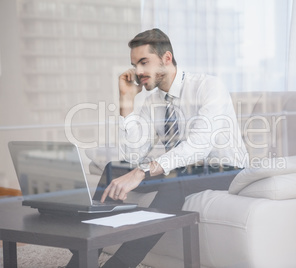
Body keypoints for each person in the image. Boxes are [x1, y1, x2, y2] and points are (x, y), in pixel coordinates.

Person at [66, 28, 248, 268]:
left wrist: (142, 172)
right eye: (134, 64)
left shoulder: (208, 87)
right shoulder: (153, 101)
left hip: (227, 169)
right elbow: (132, 153)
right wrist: (126, 102)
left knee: (175, 179)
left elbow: (199, 146)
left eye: (144, 62)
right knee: (114, 169)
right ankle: (81, 261)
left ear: (167, 58)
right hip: (184, 169)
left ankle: (119, 264)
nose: (138, 72)